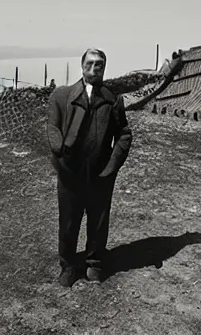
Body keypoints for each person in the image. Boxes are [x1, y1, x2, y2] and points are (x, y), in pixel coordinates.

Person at [47, 48, 133, 286]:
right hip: (70, 172)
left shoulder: (113, 99)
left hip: (100, 172)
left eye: (99, 65)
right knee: (69, 220)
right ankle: (68, 265)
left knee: (98, 219)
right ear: (82, 66)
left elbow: (124, 134)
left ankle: (94, 263)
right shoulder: (62, 96)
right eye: (90, 64)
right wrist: (58, 149)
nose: (94, 69)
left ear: (104, 68)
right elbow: (52, 126)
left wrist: (112, 166)